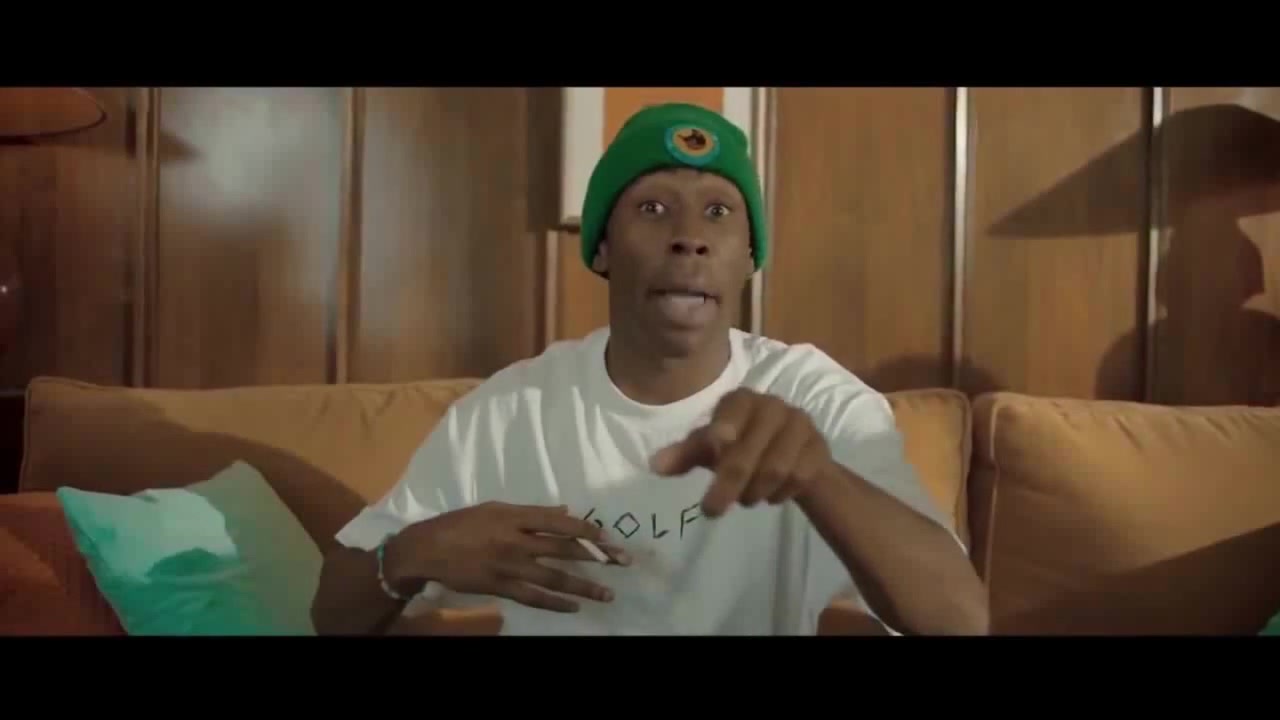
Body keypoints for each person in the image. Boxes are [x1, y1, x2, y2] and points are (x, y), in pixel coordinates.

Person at [310, 102, 988, 636]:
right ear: (603, 247)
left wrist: (820, 476)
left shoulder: (814, 396)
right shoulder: (512, 409)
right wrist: (411, 553)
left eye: (718, 212)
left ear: (749, 256)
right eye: (653, 209)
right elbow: (329, 614)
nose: (689, 237)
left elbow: (961, 619)